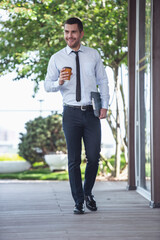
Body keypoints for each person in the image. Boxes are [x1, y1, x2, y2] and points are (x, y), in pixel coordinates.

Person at [44, 17, 110, 214]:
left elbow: (103, 81)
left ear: (81, 33)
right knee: (73, 160)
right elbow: (47, 85)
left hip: (91, 112)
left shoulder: (93, 54)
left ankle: (88, 192)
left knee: (93, 157)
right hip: (70, 113)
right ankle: (78, 201)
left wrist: (104, 106)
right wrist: (59, 83)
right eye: (66, 32)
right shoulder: (57, 58)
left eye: (73, 32)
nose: (69, 36)